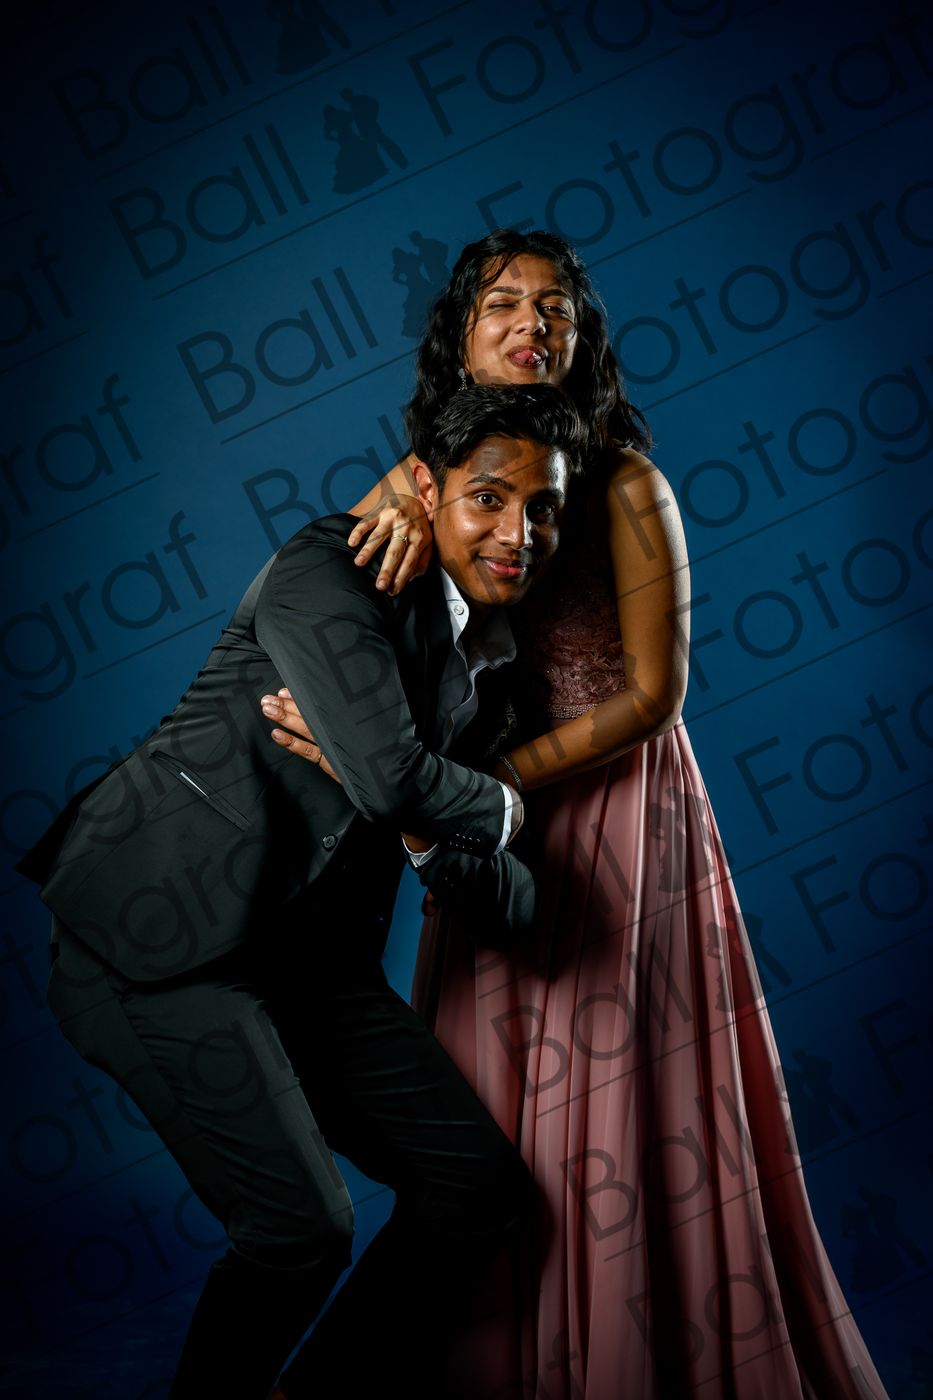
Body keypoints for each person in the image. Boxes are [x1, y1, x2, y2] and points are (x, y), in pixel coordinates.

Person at [264, 228, 890, 1398]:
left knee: (623, 1099)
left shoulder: (627, 482)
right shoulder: (429, 472)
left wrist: (485, 784)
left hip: (614, 811)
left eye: (556, 307)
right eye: (503, 303)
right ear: (459, 337)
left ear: (583, 340)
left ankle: (625, 1349)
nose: (532, 323)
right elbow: (332, 600)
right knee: (491, 1114)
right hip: (478, 817)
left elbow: (654, 693)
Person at [17, 385, 586, 1399]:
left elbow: (511, 905)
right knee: (301, 1232)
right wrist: (493, 805)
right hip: (156, 938)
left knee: (477, 1189)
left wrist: (424, 818)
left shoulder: (496, 662)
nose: (518, 532)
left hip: (311, 961)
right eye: (489, 498)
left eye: (543, 508)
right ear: (426, 489)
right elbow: (390, 776)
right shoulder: (330, 569)